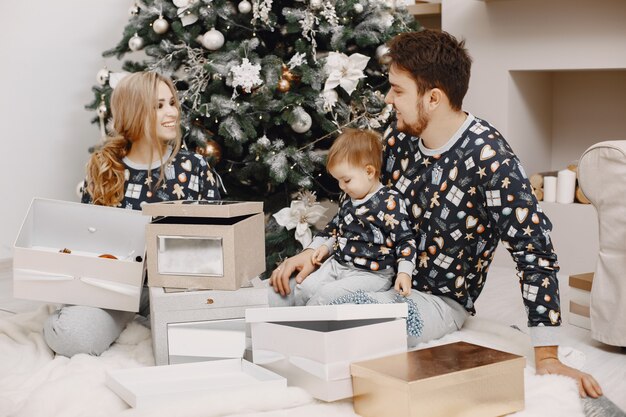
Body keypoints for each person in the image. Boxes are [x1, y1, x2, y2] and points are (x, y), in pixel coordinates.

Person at [268, 29, 603, 398]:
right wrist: (313, 250)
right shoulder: (400, 140)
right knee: (285, 290)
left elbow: (534, 253)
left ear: (433, 98)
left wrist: (548, 355)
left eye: (397, 90)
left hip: (435, 301)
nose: (387, 99)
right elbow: (360, 204)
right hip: (374, 272)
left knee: (343, 312)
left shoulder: (491, 162)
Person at [43, 71, 221, 357]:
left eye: (172, 103)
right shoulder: (105, 169)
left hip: (175, 287)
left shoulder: (194, 167)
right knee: (73, 338)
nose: (172, 113)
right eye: (158, 106)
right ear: (135, 113)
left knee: (206, 336)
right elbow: (89, 242)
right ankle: (103, 315)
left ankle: (147, 316)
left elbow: (217, 241)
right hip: (116, 287)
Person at [290, 128, 415, 306]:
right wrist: (326, 248)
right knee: (304, 288)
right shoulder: (350, 199)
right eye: (338, 180)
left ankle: (311, 329)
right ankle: (295, 322)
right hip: (340, 264)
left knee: (325, 297)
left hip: (372, 273)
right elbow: (341, 232)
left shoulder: (389, 202)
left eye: (346, 180)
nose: (342, 186)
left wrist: (405, 272)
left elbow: (405, 241)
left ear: (369, 172)